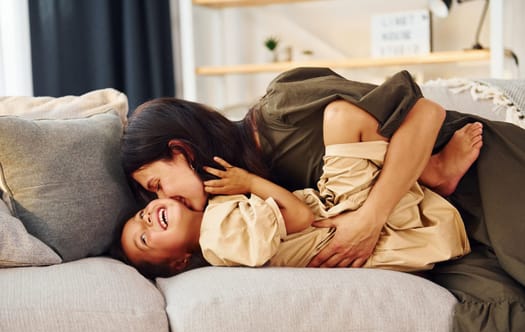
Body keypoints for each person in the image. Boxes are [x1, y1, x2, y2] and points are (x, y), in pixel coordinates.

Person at [120, 67, 524, 332]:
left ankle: (433, 171)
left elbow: (426, 113)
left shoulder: (282, 109)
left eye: (157, 186)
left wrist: (368, 219)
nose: (162, 200)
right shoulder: (245, 202)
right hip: (436, 231)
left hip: (478, 176)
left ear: (182, 151)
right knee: (493, 326)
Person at [120, 109, 471, 275]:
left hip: (330, 207)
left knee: (345, 118)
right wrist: (250, 183)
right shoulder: (218, 237)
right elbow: (300, 216)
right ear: (181, 261)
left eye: (141, 215)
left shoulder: (216, 218)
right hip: (330, 219)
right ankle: (431, 172)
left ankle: (425, 168)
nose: (148, 216)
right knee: (344, 118)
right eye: (145, 238)